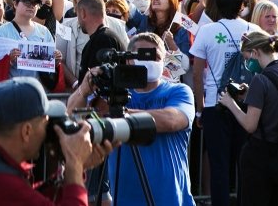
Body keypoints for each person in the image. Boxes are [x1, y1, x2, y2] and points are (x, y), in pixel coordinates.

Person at [67, 33, 195, 205]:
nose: (150, 61)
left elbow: (172, 120)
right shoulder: (113, 93)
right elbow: (72, 116)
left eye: (156, 57)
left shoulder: (178, 91)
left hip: (171, 199)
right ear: (129, 60)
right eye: (142, 55)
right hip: (126, 199)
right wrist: (85, 88)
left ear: (164, 61)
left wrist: (120, 113)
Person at [0, 76, 109, 205]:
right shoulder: (0, 183)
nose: (49, 128)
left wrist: (74, 169)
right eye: (45, 122)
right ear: (26, 131)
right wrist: (75, 163)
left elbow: (36, 198)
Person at [189, 0, 261, 206]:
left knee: (219, 165)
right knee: (245, 164)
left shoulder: (208, 31)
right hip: (246, 105)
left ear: (216, 5)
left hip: (215, 105)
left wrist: (200, 109)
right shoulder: (255, 30)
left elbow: (198, 75)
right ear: (242, 6)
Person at [217, 31, 278, 206]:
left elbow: (250, 125)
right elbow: (274, 105)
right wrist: (249, 96)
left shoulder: (260, 79)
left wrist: (230, 104)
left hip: (260, 154)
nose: (247, 63)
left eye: (247, 57)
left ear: (256, 52)